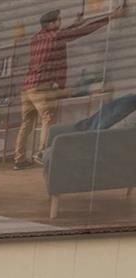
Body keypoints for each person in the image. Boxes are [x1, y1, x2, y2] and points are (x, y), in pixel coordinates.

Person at [13, 6, 122, 169]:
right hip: (42, 87)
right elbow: (82, 32)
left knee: (26, 123)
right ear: (50, 24)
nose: (60, 22)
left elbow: (64, 33)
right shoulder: (56, 37)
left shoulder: (36, 38)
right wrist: (109, 17)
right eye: (58, 20)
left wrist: (75, 23)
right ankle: (43, 154)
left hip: (27, 87)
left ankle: (19, 160)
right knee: (48, 120)